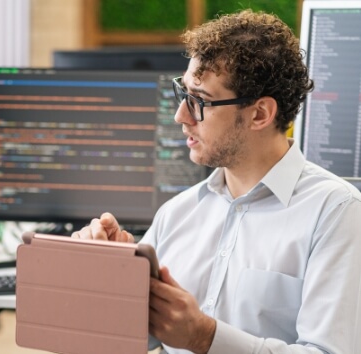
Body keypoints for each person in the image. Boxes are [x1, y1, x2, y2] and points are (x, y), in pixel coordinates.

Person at [72, 10, 361, 354]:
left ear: (259, 114)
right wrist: (109, 273)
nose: (180, 116)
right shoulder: (176, 213)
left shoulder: (336, 213)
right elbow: (133, 338)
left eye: (200, 101)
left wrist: (204, 337)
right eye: (183, 94)